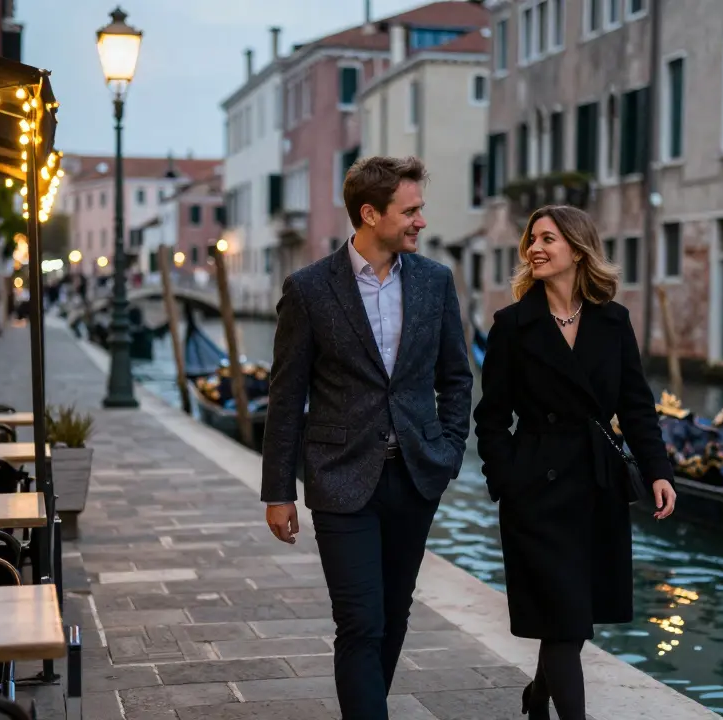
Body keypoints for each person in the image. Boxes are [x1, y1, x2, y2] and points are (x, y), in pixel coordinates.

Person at [260, 155, 473, 720]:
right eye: (411, 210)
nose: (421, 221)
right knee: (359, 621)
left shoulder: (435, 281)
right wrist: (278, 491)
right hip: (340, 478)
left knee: (394, 614)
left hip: (416, 475)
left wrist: (450, 452)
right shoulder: (308, 289)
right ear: (371, 214)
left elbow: (456, 377)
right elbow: (286, 395)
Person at [472, 205, 677, 720]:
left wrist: (658, 472)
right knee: (564, 618)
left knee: (574, 617)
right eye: (532, 239)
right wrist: (506, 479)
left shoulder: (613, 321)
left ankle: (539, 693)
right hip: (535, 492)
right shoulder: (512, 326)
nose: (534, 248)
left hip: (596, 483)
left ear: (578, 250)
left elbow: (635, 406)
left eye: (548, 239)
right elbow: (491, 417)